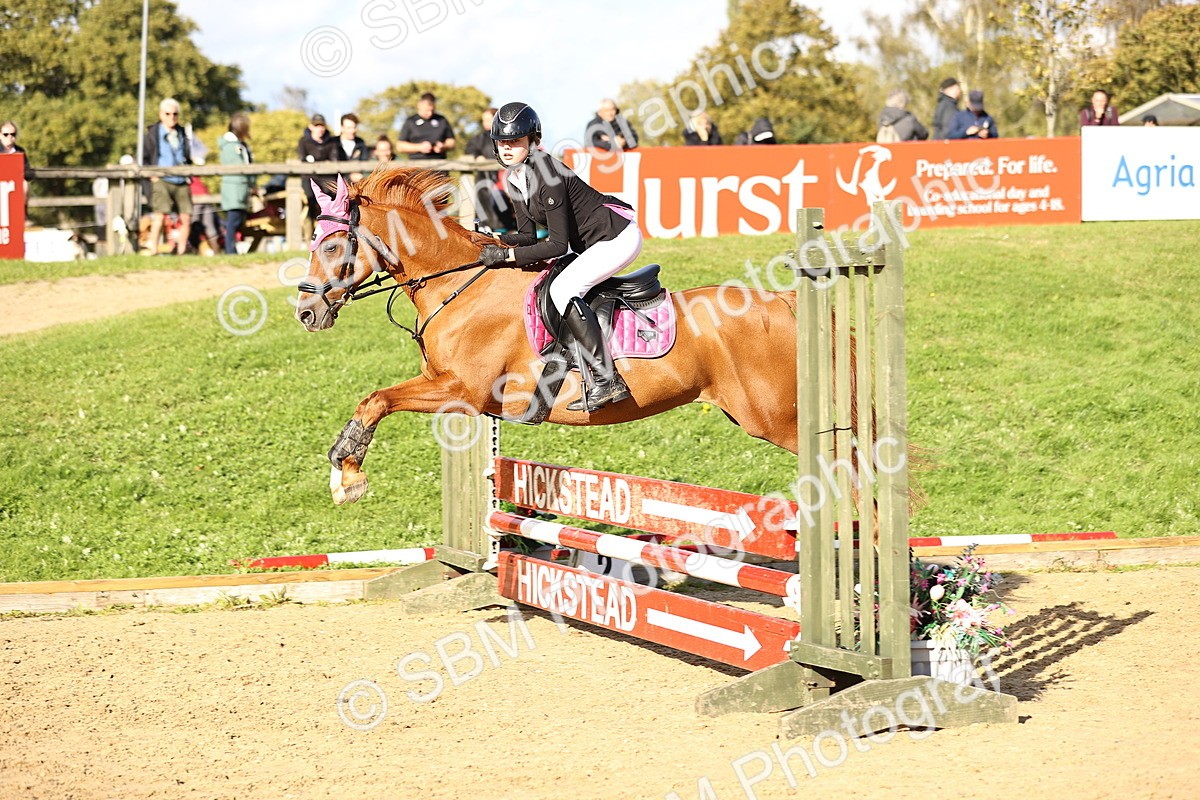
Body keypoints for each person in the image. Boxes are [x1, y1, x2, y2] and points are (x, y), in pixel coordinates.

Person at [479, 102, 640, 412]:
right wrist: (490, 240)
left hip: (616, 238)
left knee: (562, 289)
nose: (508, 148)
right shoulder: (516, 178)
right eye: (502, 141)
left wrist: (506, 256)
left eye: (515, 141)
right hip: (596, 243)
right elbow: (527, 236)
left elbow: (556, 245)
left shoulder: (548, 174)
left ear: (532, 141)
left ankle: (607, 380)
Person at [142, 98, 192, 255]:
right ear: (161, 115)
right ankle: (153, 248)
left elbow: (187, 155)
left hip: (181, 179)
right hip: (161, 179)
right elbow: (144, 157)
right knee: (160, 216)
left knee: (186, 216)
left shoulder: (182, 133)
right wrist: (152, 175)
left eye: (175, 114)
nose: (172, 117)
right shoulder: (152, 133)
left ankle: (182, 251)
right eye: (168, 114)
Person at [464, 107, 516, 233]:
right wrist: (477, 156)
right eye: (483, 120)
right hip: (485, 178)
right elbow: (470, 150)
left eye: (488, 119)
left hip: (505, 176)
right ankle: (485, 226)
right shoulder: (479, 138)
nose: (485, 122)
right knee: (483, 194)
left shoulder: (506, 135)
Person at [220, 112, 256, 255]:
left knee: (236, 222)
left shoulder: (240, 146)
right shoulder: (232, 147)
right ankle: (230, 251)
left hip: (240, 189)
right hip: (235, 189)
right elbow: (240, 168)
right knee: (232, 223)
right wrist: (251, 183)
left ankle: (232, 250)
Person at [297, 113, 338, 233]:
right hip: (309, 177)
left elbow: (333, 160)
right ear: (311, 126)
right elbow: (303, 159)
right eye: (317, 126)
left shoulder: (331, 142)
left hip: (327, 177)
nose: (319, 129)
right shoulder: (304, 142)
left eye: (322, 126)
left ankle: (331, 229)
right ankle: (310, 234)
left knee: (332, 200)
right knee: (311, 201)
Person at [397, 93, 456, 160]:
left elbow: (452, 142)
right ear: (419, 105)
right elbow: (400, 146)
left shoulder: (442, 120)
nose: (430, 113)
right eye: (427, 110)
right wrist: (419, 147)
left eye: (432, 110)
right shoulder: (410, 121)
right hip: (416, 165)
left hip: (439, 164)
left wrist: (443, 147)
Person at [0, 120, 31, 195]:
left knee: (25, 185)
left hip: (14, 182)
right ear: (0, 135)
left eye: (12, 134)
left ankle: (22, 206)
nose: (9, 137)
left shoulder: (20, 151)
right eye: (6, 134)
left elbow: (27, 170)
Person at [335, 113, 369, 182]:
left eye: (354, 127)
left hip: (356, 184)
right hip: (336, 183)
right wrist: (348, 177)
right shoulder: (333, 142)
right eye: (349, 128)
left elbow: (365, 162)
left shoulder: (360, 143)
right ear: (342, 128)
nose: (352, 131)